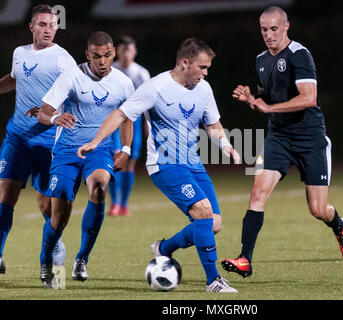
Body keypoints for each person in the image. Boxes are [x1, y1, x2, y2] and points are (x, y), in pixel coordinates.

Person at [77, 38, 241, 293]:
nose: (206, 73)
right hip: (165, 165)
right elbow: (121, 114)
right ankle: (214, 281)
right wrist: (97, 141)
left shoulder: (204, 89)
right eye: (202, 67)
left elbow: (212, 123)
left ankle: (164, 249)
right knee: (203, 211)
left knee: (213, 223)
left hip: (193, 165)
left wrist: (226, 146)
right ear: (185, 63)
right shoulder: (155, 88)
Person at [221, 6, 343, 278]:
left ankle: (338, 223)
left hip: (309, 138)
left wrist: (269, 109)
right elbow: (267, 99)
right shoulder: (260, 59)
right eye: (263, 29)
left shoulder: (299, 55)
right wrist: (252, 100)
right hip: (279, 138)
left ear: (286, 27)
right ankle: (245, 259)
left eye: (273, 29)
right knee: (257, 193)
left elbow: (309, 98)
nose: (268, 35)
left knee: (318, 210)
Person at [36, 31, 134, 288]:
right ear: (87, 55)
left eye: (107, 56)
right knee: (58, 218)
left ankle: (82, 258)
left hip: (99, 151)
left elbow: (126, 118)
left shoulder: (123, 82)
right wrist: (56, 118)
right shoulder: (71, 77)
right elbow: (44, 113)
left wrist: (125, 147)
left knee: (100, 189)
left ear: (114, 53)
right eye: (97, 56)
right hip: (66, 151)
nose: (103, 62)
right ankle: (46, 260)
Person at [0, 4, 76, 274]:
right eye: (42, 25)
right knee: (5, 195)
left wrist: (53, 113)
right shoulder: (19, 53)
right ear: (31, 27)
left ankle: (54, 242)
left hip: (47, 141)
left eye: (52, 25)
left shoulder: (62, 59)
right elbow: (14, 78)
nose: (48, 30)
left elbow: (72, 93)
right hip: (17, 137)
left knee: (45, 204)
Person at [108, 35, 151, 217]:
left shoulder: (141, 73)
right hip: (114, 121)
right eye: (123, 49)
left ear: (135, 52)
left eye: (129, 50)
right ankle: (114, 204)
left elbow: (149, 101)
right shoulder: (110, 70)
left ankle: (124, 205)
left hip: (134, 121)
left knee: (130, 163)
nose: (126, 54)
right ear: (117, 51)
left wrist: (149, 124)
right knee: (115, 160)